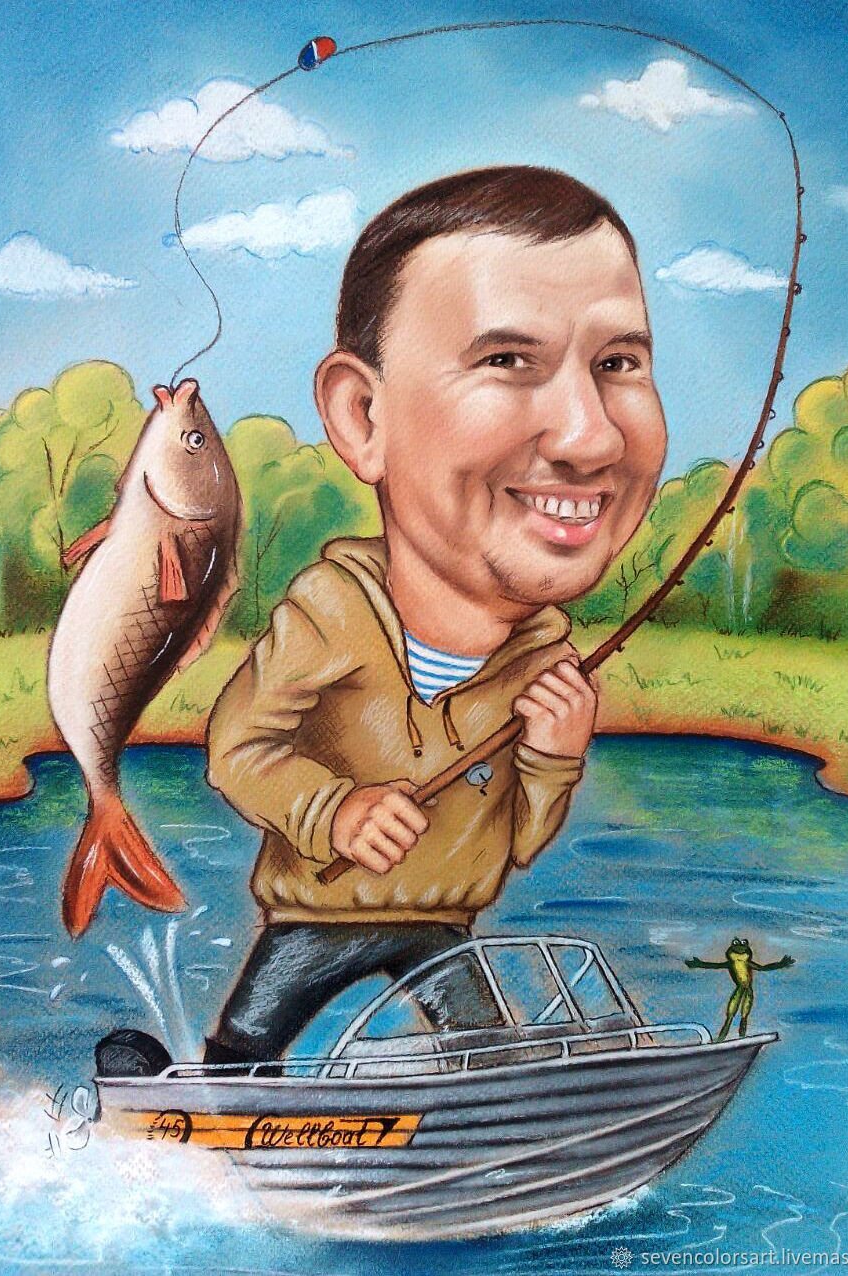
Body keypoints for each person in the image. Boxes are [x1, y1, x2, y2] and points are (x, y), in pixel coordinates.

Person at [202, 165, 667, 1064]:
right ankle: (205, 1096)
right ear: (362, 417)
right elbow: (239, 750)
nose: (592, 437)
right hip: (318, 911)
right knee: (246, 1045)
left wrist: (553, 759)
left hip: (442, 923)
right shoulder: (329, 613)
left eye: (617, 364)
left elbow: (519, 842)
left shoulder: (548, 663)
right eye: (506, 361)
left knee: (489, 1056)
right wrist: (333, 812)